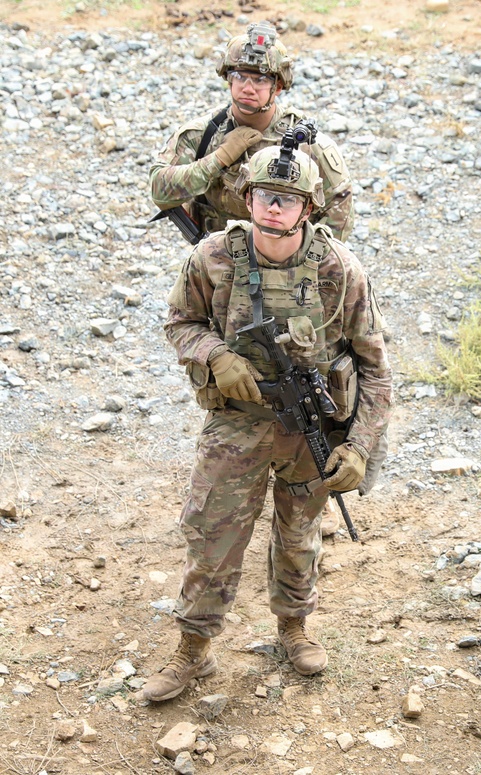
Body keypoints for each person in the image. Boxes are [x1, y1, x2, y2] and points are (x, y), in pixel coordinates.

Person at [143, 145, 392, 702]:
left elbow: (377, 372)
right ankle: (194, 648)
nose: (272, 209)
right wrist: (214, 355)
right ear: (246, 198)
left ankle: (293, 628)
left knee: (300, 534)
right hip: (238, 424)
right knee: (213, 533)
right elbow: (180, 323)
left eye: (286, 200)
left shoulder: (339, 269)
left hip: (311, 428)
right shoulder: (213, 257)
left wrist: (358, 448)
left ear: (308, 208)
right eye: (262, 196)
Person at [150, 21, 354, 242]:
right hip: (218, 257)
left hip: (287, 260)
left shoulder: (304, 141)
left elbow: (340, 202)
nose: (248, 88)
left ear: (276, 87)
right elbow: (160, 191)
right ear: (228, 80)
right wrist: (219, 159)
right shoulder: (203, 135)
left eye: (260, 80)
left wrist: (311, 258)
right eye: (239, 77)